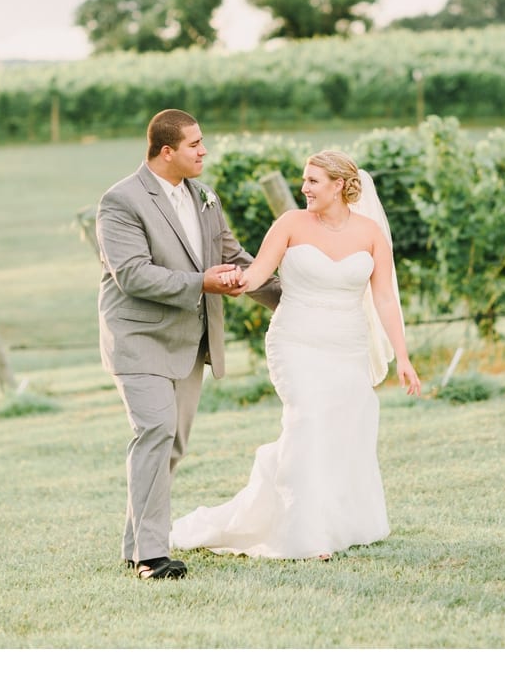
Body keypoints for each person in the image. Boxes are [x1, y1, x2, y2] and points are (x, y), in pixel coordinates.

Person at [169, 150, 422, 562]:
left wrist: (404, 357)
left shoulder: (371, 234)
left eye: (312, 181)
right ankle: (306, 533)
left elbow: (384, 300)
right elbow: (257, 272)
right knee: (307, 420)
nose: (303, 188)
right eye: (303, 180)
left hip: (347, 345)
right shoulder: (291, 224)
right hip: (296, 341)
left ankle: (342, 521)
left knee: (344, 427)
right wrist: (234, 280)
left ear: (339, 185)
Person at [95, 108, 282, 580]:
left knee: (171, 444)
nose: (204, 151)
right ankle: (151, 558)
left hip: (188, 340)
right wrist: (202, 283)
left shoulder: (204, 197)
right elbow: (133, 274)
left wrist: (292, 299)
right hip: (138, 337)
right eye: (195, 144)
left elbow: (232, 256)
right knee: (155, 430)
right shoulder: (121, 201)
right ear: (166, 151)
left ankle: (135, 544)